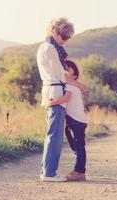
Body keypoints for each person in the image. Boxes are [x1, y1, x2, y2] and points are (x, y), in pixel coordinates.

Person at [37, 18, 88, 182]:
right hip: (55, 90)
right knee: (55, 135)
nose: (65, 40)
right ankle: (49, 173)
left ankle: (47, 171)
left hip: (52, 89)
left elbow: (61, 75)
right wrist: (79, 84)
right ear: (54, 31)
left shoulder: (47, 47)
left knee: (53, 134)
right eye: (64, 36)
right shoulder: (51, 49)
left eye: (68, 37)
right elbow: (61, 75)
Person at [47, 58, 88, 181]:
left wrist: (52, 103)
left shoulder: (70, 86)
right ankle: (79, 169)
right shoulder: (71, 86)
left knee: (79, 146)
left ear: (74, 75)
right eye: (64, 68)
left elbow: (66, 99)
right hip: (76, 120)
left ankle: (79, 171)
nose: (64, 70)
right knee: (76, 146)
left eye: (68, 69)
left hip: (76, 121)